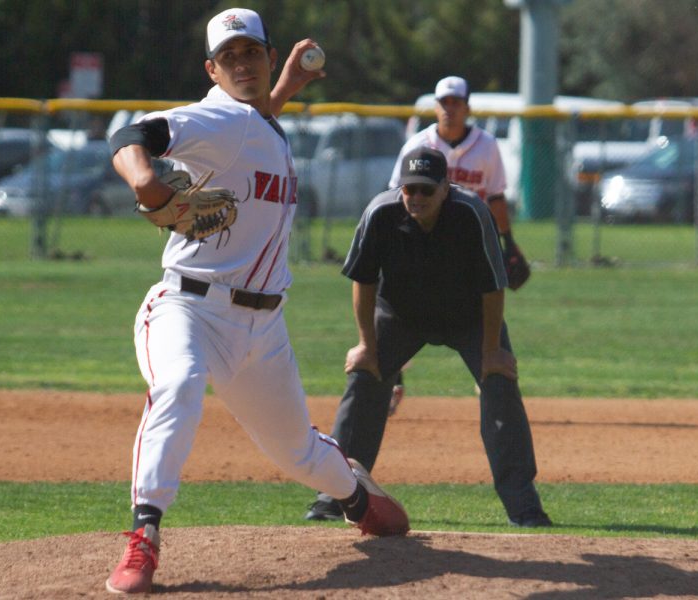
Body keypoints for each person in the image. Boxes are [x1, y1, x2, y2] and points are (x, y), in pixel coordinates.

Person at [104, 7, 408, 594]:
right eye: (230, 57)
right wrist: (143, 178)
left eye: (252, 53)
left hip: (263, 327)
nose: (242, 63)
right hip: (188, 307)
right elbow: (130, 134)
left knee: (296, 450)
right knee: (180, 384)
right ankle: (145, 535)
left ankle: (355, 496)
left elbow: (252, 125)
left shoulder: (256, 122)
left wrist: (284, 90)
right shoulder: (216, 117)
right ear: (211, 70)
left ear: (269, 57)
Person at [303, 146, 550, 529]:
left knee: (499, 382)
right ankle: (335, 495)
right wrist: (367, 345)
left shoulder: (472, 214)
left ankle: (524, 507)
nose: (416, 197)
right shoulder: (380, 213)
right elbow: (363, 281)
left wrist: (491, 353)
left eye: (425, 190)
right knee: (365, 379)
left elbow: (494, 285)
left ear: (445, 187)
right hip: (400, 316)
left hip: (468, 316)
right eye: (409, 189)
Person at [385, 75, 531, 414]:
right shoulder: (418, 144)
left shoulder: (487, 145)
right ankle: (392, 379)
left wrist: (508, 243)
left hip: (469, 246)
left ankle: (489, 378)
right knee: (402, 312)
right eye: (444, 102)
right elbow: (395, 195)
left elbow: (495, 197)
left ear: (467, 107)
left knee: (483, 314)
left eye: (456, 102)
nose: (449, 109)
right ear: (436, 107)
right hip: (422, 244)